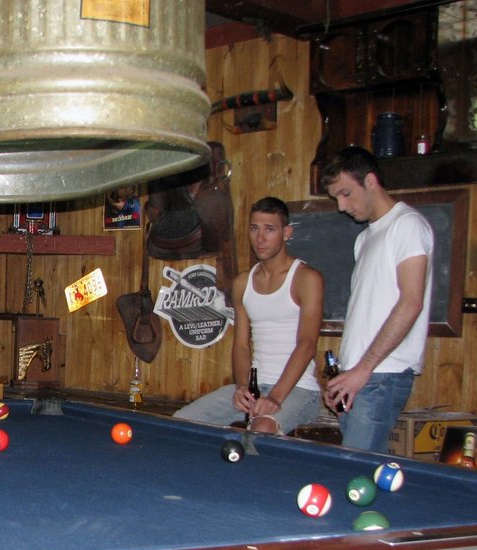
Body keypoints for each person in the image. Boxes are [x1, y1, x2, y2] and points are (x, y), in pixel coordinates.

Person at [172, 197, 324, 434]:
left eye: (269, 229)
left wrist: (275, 397)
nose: (260, 238)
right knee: (180, 422)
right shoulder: (242, 283)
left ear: (286, 233)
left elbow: (307, 345)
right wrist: (242, 386)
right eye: (254, 229)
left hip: (299, 389)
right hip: (256, 386)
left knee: (261, 427)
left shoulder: (306, 279)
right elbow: (241, 344)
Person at [320, 146, 433, 452]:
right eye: (336, 198)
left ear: (370, 181)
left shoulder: (407, 224)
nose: (341, 206)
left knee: (355, 469)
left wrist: (363, 370)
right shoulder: (364, 238)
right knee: (362, 470)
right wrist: (346, 374)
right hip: (359, 374)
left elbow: (411, 302)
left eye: (346, 194)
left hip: (382, 374)